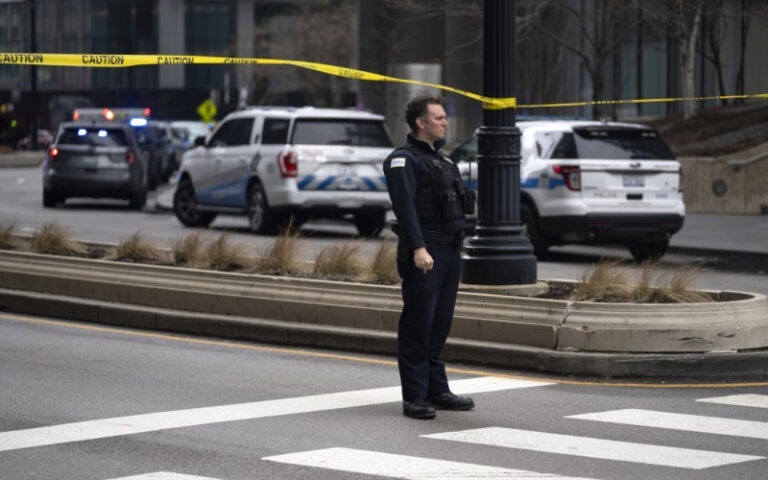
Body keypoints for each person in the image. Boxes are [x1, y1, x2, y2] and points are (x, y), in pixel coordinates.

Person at [383, 94, 475, 420]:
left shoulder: (445, 162)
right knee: (418, 325)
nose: (445, 122)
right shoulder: (403, 160)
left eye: (444, 117)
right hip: (425, 251)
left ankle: (437, 390)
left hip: (449, 251)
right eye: (438, 118)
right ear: (421, 123)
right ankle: (415, 397)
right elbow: (405, 209)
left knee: (439, 325)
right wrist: (418, 248)